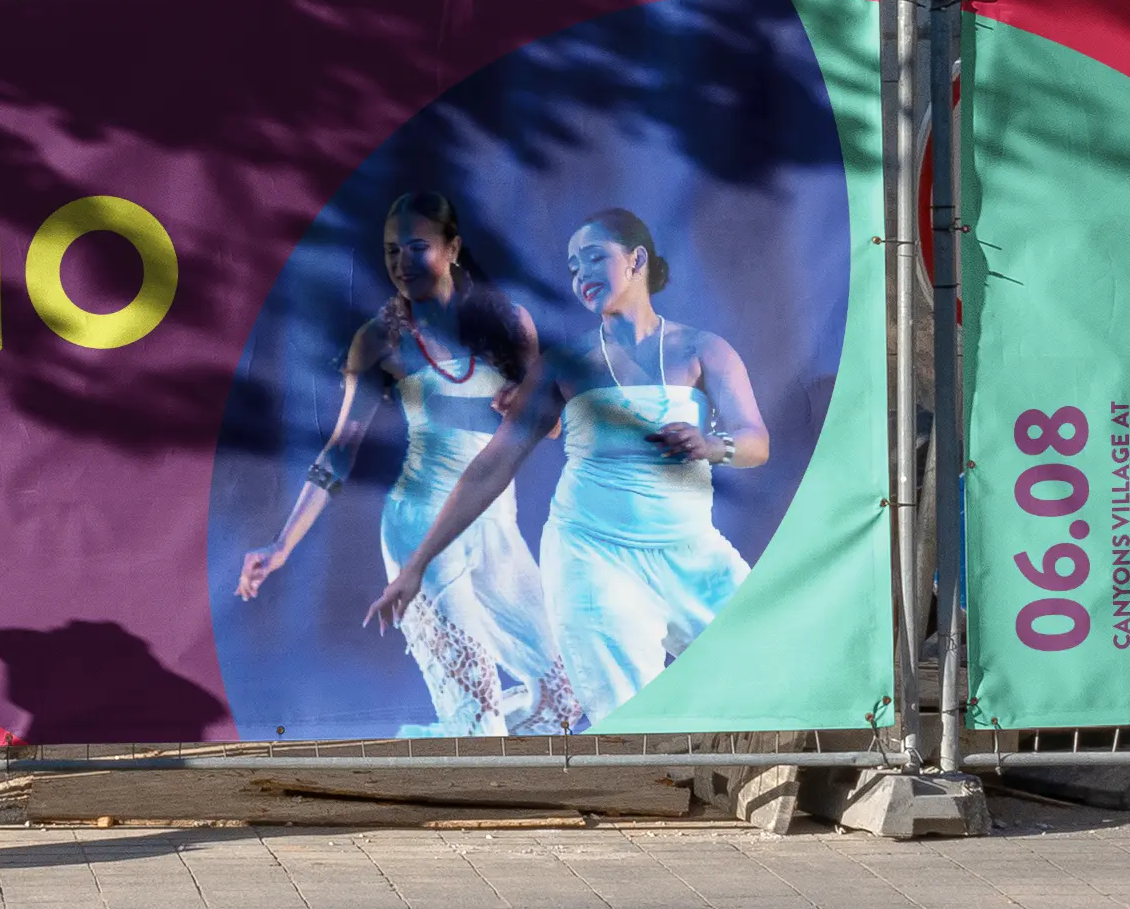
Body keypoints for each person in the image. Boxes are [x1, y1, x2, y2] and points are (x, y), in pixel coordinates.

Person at [367, 208, 770, 723]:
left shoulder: (703, 350)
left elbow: (756, 441)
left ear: (636, 259)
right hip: (592, 556)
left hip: (691, 550)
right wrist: (415, 567)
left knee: (763, 665)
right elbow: (491, 467)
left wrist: (717, 446)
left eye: (594, 258)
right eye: (573, 267)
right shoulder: (563, 365)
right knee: (634, 719)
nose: (581, 277)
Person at [236, 192, 582, 736]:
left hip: (495, 527)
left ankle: (475, 775)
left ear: (453, 249)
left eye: (417, 247)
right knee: (478, 715)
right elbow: (341, 449)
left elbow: (556, 425)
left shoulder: (509, 324)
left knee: (563, 700)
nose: (402, 262)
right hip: (420, 526)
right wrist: (282, 545)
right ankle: (473, 801)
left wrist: (524, 398)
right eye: (392, 251)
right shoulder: (379, 341)